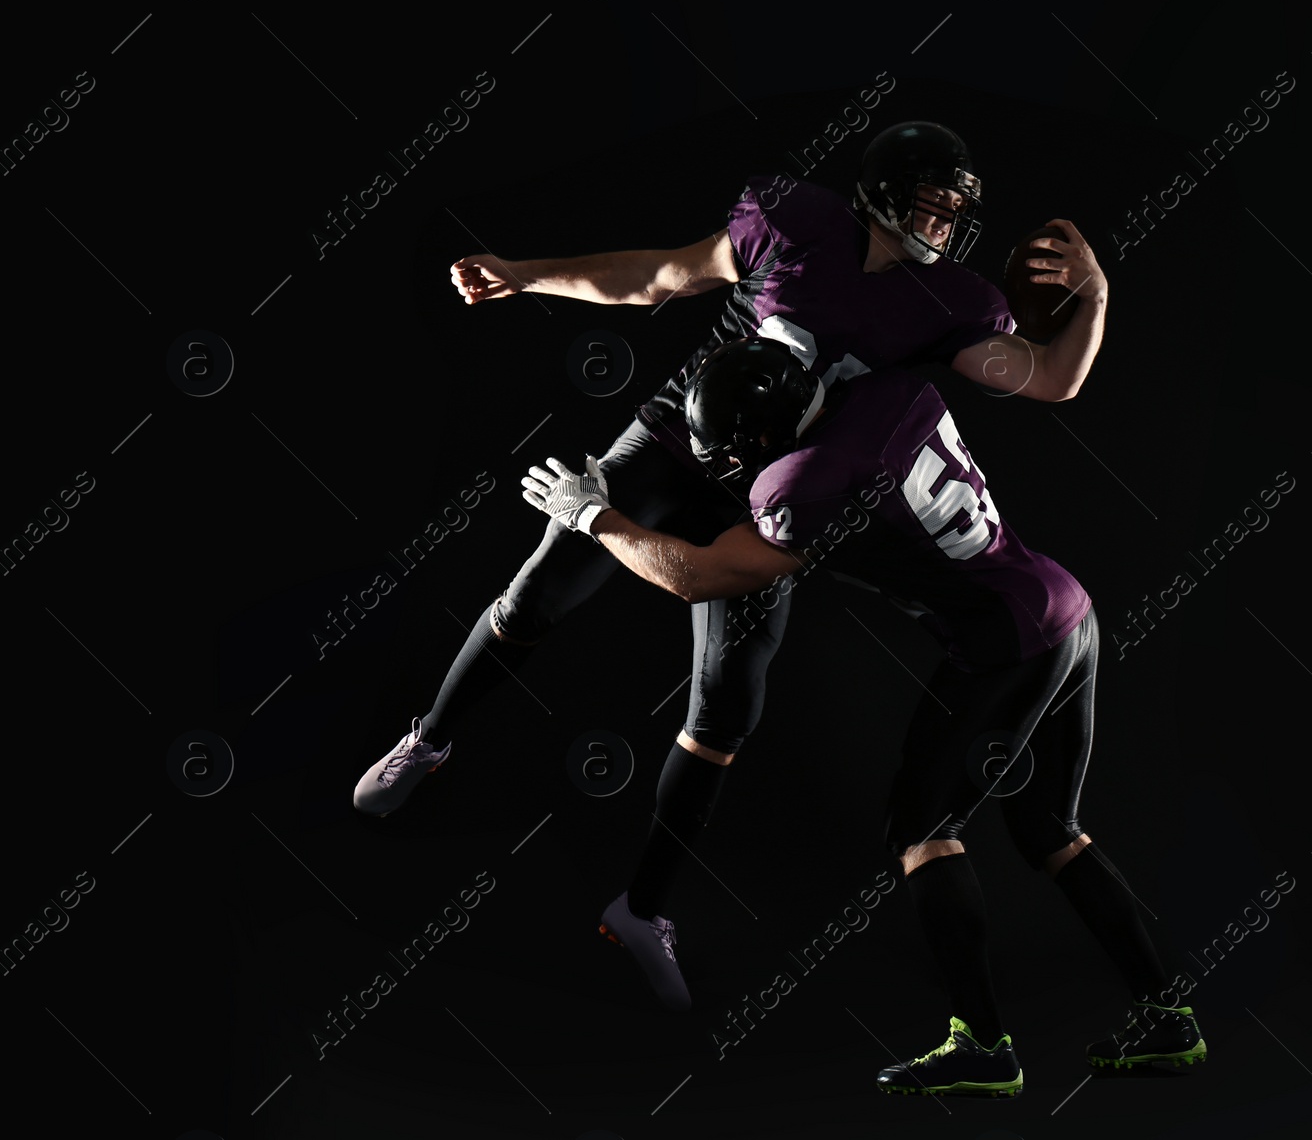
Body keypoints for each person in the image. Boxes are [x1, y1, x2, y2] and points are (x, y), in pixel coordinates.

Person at [353, 121, 1111, 1014]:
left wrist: (1093, 295)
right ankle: (431, 735)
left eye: (955, 212)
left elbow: (1051, 378)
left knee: (727, 705)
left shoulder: (949, 300)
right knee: (545, 584)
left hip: (775, 486)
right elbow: (659, 278)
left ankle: (641, 911)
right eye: (933, 205)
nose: (945, 226)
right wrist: (526, 273)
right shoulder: (788, 222)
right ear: (880, 193)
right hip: (677, 439)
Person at [521, 337, 1205, 1095]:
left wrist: (592, 516)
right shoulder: (890, 392)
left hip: (1007, 642)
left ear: (762, 437)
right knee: (1049, 829)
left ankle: (982, 1044)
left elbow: (698, 577)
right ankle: (1167, 1019)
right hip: (1064, 605)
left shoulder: (799, 480)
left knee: (920, 833)